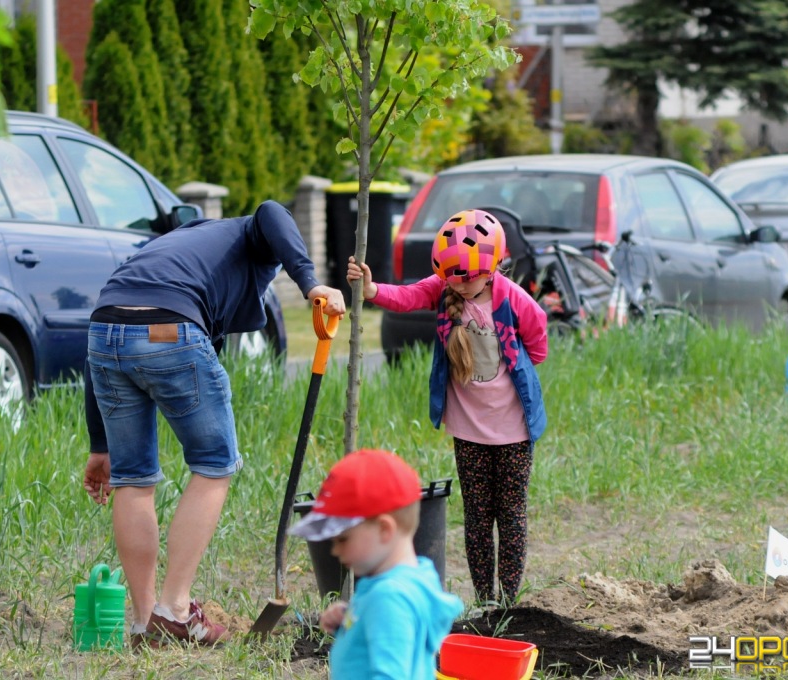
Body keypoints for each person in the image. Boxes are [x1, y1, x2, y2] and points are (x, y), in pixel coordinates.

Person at [82, 200, 346, 648]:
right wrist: (310, 282)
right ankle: (176, 609)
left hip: (105, 333)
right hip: (170, 328)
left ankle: (147, 623)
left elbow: (110, 326)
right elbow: (271, 211)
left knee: (132, 478)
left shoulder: (172, 251)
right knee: (214, 464)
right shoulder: (249, 230)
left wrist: (100, 445)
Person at [346, 208, 548, 606]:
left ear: (493, 267)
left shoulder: (514, 300)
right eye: (453, 278)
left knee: (510, 516)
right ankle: (485, 598)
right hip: (468, 428)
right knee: (476, 515)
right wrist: (371, 291)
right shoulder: (442, 289)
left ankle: (508, 600)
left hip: (513, 430)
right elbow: (405, 298)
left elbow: (538, 342)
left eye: (468, 278)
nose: (460, 285)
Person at [289, 448, 463, 679]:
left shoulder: (389, 598)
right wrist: (352, 621)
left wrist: (373, 610)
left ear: (384, 529)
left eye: (343, 538)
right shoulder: (415, 578)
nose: (335, 550)